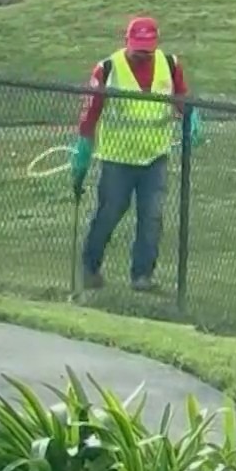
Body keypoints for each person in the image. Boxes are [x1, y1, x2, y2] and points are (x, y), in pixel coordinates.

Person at [69, 16, 204, 291]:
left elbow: (181, 99)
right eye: (137, 48)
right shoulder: (107, 69)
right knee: (109, 213)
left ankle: (142, 277)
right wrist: (83, 149)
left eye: (148, 48)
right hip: (118, 158)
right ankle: (90, 267)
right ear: (126, 42)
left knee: (152, 217)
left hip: (155, 156)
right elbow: (90, 113)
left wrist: (191, 116)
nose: (142, 54)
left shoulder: (169, 65)